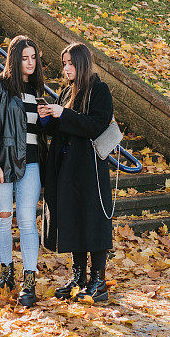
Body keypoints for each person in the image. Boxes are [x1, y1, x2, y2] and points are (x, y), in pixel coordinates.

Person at [38, 42, 114, 303]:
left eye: (70, 63)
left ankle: (98, 281)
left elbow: (95, 125)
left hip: (89, 169)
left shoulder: (99, 90)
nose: (66, 68)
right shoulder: (66, 91)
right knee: (73, 220)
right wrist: (47, 118)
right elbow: (61, 129)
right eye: (64, 64)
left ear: (81, 63)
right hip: (66, 168)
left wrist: (64, 113)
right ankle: (79, 277)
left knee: (93, 221)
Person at [0, 35, 47, 307]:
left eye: (33, 58)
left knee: (28, 221)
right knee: (4, 217)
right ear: (14, 59)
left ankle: (29, 282)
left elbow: (34, 132)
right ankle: (7, 272)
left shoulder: (37, 89)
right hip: (2, 163)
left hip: (31, 163)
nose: (30, 63)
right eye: (24, 58)